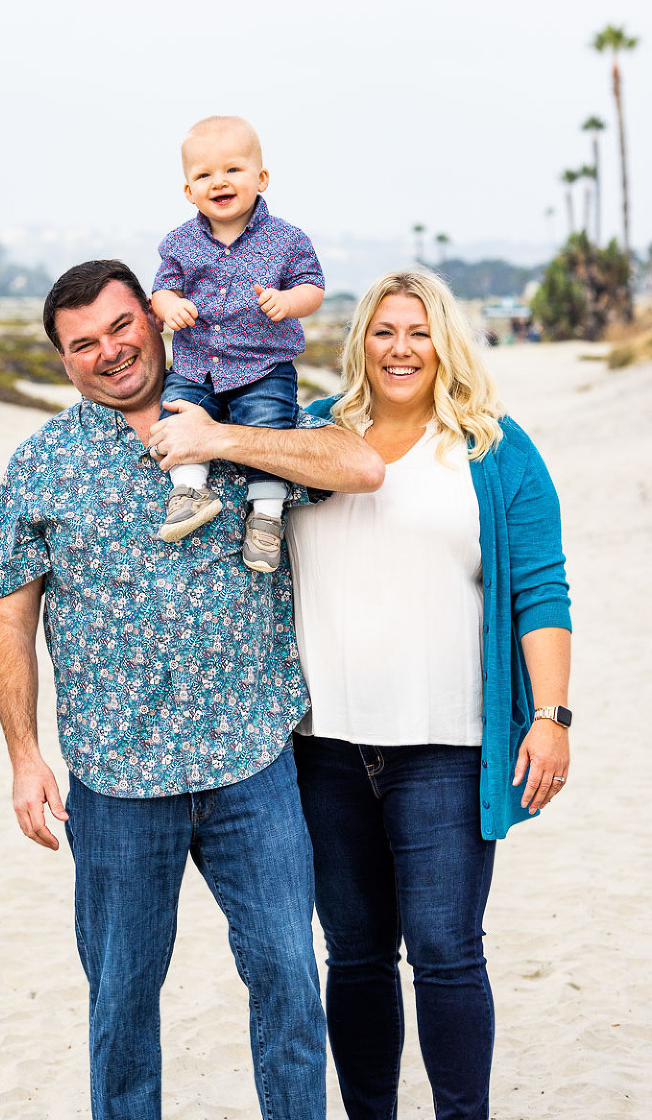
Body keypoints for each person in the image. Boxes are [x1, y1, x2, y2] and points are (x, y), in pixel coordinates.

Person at [0, 259, 384, 1120]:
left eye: (122, 327)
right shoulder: (43, 463)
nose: (109, 352)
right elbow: (11, 617)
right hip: (117, 779)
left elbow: (357, 463)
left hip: (252, 762)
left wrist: (221, 440)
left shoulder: (248, 414)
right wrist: (25, 757)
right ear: (63, 359)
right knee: (122, 1001)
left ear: (159, 321)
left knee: (286, 979)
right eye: (82, 343)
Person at [285, 269, 572, 1120]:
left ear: (445, 341)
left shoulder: (492, 449)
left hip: (447, 747)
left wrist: (551, 717)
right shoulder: (312, 435)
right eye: (383, 331)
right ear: (360, 342)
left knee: (447, 952)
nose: (401, 349)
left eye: (418, 331)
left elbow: (542, 590)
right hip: (322, 745)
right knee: (356, 955)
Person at [151, 115, 325, 572]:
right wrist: (168, 307)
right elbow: (162, 289)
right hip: (198, 361)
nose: (219, 182)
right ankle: (191, 489)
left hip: (262, 364)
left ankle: (266, 519)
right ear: (188, 190)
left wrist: (289, 301)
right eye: (204, 174)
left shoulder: (286, 238)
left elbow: (313, 288)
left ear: (260, 178)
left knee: (268, 428)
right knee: (176, 408)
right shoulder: (180, 243)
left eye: (232, 169)